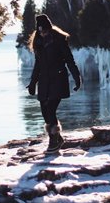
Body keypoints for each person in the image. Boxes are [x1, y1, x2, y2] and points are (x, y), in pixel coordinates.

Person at [27, 14, 82, 153]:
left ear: (49, 28)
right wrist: (33, 82)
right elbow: (38, 64)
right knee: (45, 112)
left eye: (44, 30)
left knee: (51, 108)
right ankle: (58, 138)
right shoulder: (38, 42)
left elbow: (70, 60)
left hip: (58, 79)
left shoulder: (59, 40)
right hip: (44, 81)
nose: (42, 33)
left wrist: (77, 77)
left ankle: (53, 141)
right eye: (40, 31)